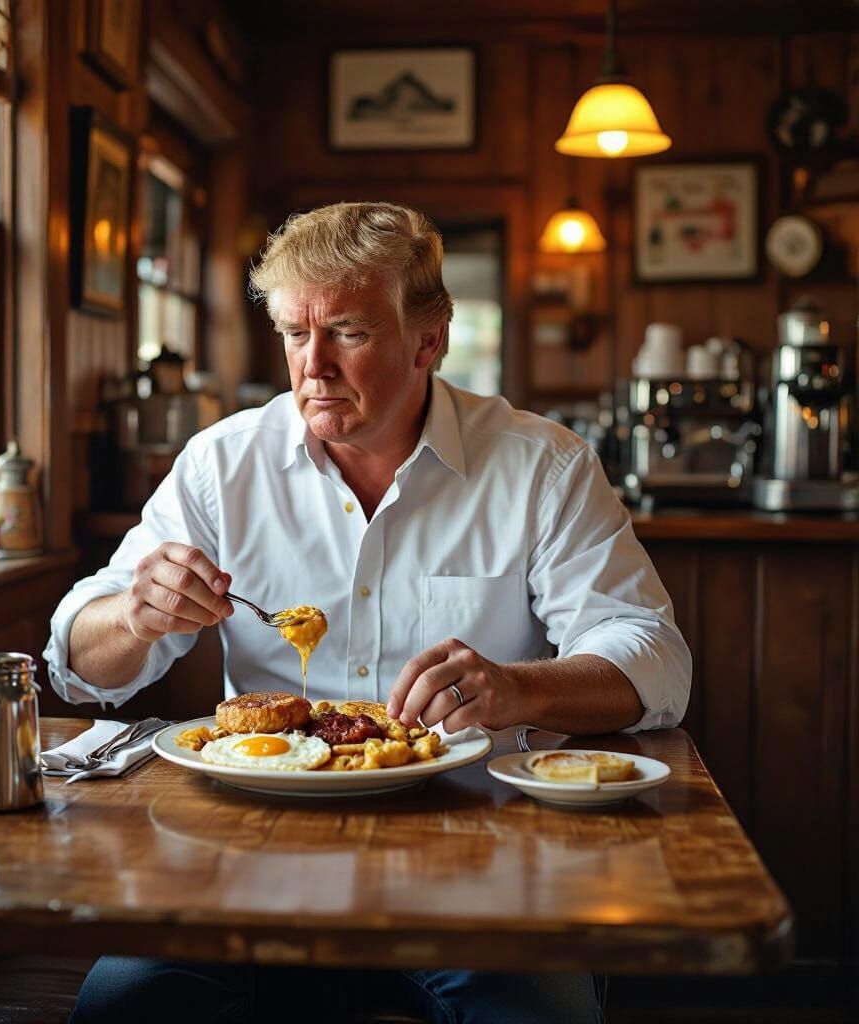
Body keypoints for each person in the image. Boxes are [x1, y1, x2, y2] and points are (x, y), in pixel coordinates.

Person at [46, 201, 691, 1024]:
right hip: (252, 853)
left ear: (429, 340)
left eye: (348, 331)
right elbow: (76, 655)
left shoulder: (542, 466)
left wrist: (522, 689)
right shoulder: (222, 465)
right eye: (292, 333)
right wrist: (134, 617)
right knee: (121, 1007)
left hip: (477, 861)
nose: (312, 366)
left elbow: (654, 655)